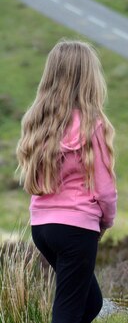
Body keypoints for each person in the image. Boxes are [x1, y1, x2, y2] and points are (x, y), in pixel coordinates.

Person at [16, 39, 117, 323]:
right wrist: (106, 222)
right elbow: (105, 189)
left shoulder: (40, 121)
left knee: (91, 303)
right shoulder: (91, 124)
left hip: (42, 227)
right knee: (69, 311)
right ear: (88, 79)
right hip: (77, 229)